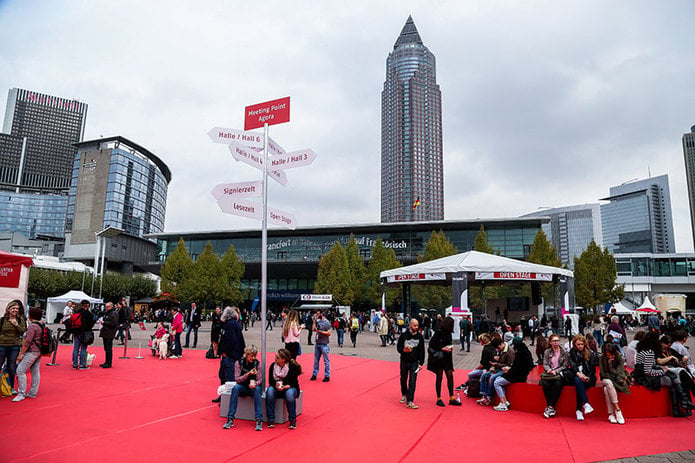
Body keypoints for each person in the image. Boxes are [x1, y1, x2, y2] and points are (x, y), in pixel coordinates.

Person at [632, 331, 689, 417]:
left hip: (642, 375)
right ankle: (680, 405)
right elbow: (648, 371)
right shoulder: (650, 353)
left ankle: (682, 404)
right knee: (674, 379)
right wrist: (662, 371)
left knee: (673, 377)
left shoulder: (642, 349)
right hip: (647, 378)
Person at [223, 346, 263, 431]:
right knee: (235, 388)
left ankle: (259, 419)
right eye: (251, 356)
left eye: (254, 356)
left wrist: (255, 384)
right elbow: (237, 379)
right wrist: (248, 374)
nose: (253, 358)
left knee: (257, 390)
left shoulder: (257, 364)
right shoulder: (239, 363)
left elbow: (260, 379)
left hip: (253, 387)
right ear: (246, 355)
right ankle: (230, 418)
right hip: (243, 386)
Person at [212, 306, 246, 403]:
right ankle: (224, 397)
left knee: (229, 378)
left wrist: (225, 351)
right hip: (231, 355)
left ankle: (228, 400)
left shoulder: (230, 325)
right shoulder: (232, 324)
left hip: (230, 355)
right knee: (223, 375)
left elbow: (231, 340)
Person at [491, 337, 535, 411]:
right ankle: (505, 401)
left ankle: (503, 403)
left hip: (517, 376)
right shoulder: (527, 352)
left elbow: (516, 368)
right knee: (498, 379)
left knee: (496, 382)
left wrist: (507, 371)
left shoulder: (519, 354)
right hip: (521, 375)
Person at [427, 316, 461, 407]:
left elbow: (449, 343)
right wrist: (442, 348)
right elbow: (431, 345)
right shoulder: (439, 332)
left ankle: (452, 397)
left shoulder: (449, 333)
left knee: (450, 376)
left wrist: (450, 348)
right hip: (439, 358)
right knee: (439, 377)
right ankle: (439, 398)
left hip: (447, 357)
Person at [12, 307, 44, 402]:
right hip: (39, 351)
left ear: (30, 316)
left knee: (20, 370)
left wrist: (21, 354)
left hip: (32, 351)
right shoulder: (41, 324)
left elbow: (28, 341)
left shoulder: (32, 326)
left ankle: (21, 393)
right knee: (35, 371)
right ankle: (33, 392)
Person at [266, 348, 302, 429]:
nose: (275, 358)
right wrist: (276, 385)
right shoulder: (273, 366)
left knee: (289, 395)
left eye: (277, 357)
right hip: (277, 387)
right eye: (275, 356)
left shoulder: (292, 367)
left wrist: (286, 386)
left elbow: (294, 382)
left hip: (290, 387)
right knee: (270, 392)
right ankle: (271, 419)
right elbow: (271, 380)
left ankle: (292, 419)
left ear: (283, 359)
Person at [568, 335, 598, 421]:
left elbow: (592, 369)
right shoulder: (572, 352)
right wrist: (579, 374)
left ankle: (579, 409)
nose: (580, 346)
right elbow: (572, 365)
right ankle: (586, 404)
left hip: (589, 377)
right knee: (578, 381)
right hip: (577, 376)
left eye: (582, 344)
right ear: (574, 344)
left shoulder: (591, 353)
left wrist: (586, 377)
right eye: (578, 344)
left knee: (579, 385)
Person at [539, 333, 570, 418]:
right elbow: (545, 363)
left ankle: (551, 406)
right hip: (549, 373)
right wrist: (549, 369)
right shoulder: (547, 352)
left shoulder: (564, 352)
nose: (556, 342)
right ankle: (550, 406)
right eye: (554, 341)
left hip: (559, 374)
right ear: (550, 342)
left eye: (557, 340)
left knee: (558, 384)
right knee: (545, 384)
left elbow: (565, 365)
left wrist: (556, 371)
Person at [397, 318, 425, 409]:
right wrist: (403, 350)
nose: (416, 327)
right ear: (410, 325)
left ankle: (410, 401)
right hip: (404, 361)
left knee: (412, 381)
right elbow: (399, 348)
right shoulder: (404, 335)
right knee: (403, 379)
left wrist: (421, 362)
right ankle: (404, 394)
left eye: (417, 326)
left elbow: (422, 350)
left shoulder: (420, 337)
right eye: (414, 326)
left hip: (414, 362)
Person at [0, 300, 26, 394]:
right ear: (8, 309)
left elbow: (23, 332)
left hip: (14, 346)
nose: (15, 310)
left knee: (11, 367)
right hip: (2, 345)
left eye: (17, 309)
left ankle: (11, 387)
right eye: (13, 308)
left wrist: (16, 325)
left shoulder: (20, 319)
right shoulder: (3, 319)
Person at [599, 343, 630, 424]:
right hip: (606, 379)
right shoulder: (601, 358)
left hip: (616, 379)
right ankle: (617, 409)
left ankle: (611, 414)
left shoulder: (620, 358)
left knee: (606, 389)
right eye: (608, 355)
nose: (610, 357)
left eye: (611, 355)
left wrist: (610, 366)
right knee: (608, 382)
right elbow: (602, 374)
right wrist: (609, 367)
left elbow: (618, 372)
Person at [71, 300, 95, 370]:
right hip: (85, 333)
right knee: (83, 348)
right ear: (87, 306)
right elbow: (91, 323)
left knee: (76, 348)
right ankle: (82, 364)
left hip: (76, 332)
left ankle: (75, 364)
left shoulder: (76, 312)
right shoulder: (89, 314)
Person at [310, 310, 331, 382]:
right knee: (316, 360)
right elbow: (313, 329)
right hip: (318, 342)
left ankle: (327, 375)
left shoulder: (327, 322)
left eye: (318, 313)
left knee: (326, 360)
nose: (316, 314)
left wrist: (321, 332)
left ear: (322, 314)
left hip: (324, 343)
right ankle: (314, 374)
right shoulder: (318, 321)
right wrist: (314, 321)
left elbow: (329, 333)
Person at [99, 302, 119, 368]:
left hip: (109, 332)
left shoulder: (113, 313)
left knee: (108, 348)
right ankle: (106, 362)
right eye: (106, 307)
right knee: (106, 348)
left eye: (107, 307)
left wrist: (104, 322)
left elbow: (113, 323)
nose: (106, 308)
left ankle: (108, 363)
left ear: (111, 306)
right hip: (106, 332)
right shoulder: (109, 313)